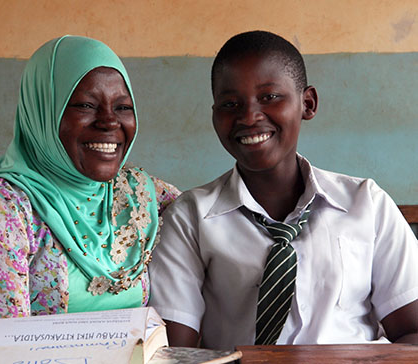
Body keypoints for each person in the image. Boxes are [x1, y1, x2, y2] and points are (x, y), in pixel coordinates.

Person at [148, 30, 418, 350]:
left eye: (270, 97)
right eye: (230, 103)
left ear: (308, 103)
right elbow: (173, 351)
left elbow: (411, 331)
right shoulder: (190, 217)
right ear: (214, 115)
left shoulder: (367, 205)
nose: (249, 116)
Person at [0, 35, 180, 359]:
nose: (109, 122)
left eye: (123, 107)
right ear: (43, 110)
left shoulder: (146, 198)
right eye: (86, 105)